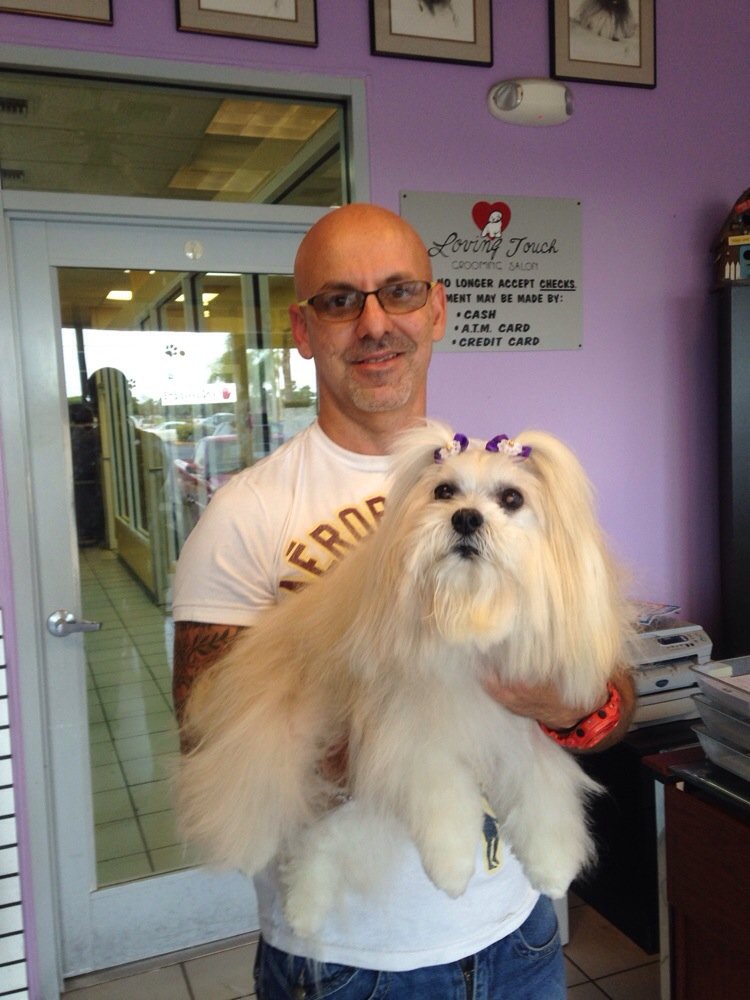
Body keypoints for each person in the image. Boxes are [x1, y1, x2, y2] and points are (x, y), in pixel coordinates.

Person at [172, 202, 635, 1000]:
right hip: (350, 965)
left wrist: (575, 702)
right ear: (302, 328)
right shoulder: (243, 513)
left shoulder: (507, 484)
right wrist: (376, 728)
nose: (375, 322)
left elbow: (609, 693)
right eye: (340, 300)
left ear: (437, 308)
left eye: (400, 291)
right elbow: (203, 730)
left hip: (519, 938)